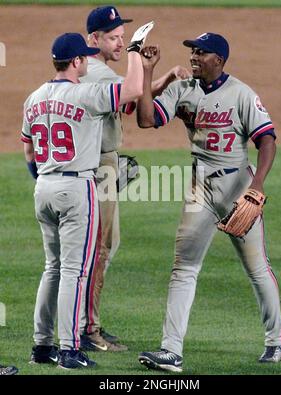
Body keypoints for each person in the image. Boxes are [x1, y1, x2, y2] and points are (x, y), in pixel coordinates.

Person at [137, 33, 281, 372]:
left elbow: (267, 140)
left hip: (239, 188)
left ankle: (276, 341)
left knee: (256, 267)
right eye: (192, 50)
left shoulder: (241, 93)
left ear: (218, 59)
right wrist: (148, 73)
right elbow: (147, 119)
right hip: (199, 189)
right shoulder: (181, 88)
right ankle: (170, 350)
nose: (193, 56)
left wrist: (258, 186)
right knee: (183, 267)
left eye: (200, 52)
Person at [21, 30, 145, 369]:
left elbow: (29, 150)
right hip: (77, 189)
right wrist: (134, 51)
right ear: (75, 62)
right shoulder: (86, 93)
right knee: (75, 271)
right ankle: (69, 350)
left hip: (43, 186)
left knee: (52, 269)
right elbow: (133, 90)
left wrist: (47, 181)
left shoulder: (34, 97)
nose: (88, 61)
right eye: (84, 57)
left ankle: (41, 347)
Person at [79, 5, 191, 353]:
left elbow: (132, 95)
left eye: (122, 37)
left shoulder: (99, 71)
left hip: (101, 165)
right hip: (97, 168)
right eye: (113, 38)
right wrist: (145, 66)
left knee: (101, 248)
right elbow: (131, 95)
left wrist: (162, 75)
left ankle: (86, 324)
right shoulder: (96, 72)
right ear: (93, 39)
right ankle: (88, 330)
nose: (119, 42)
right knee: (99, 250)